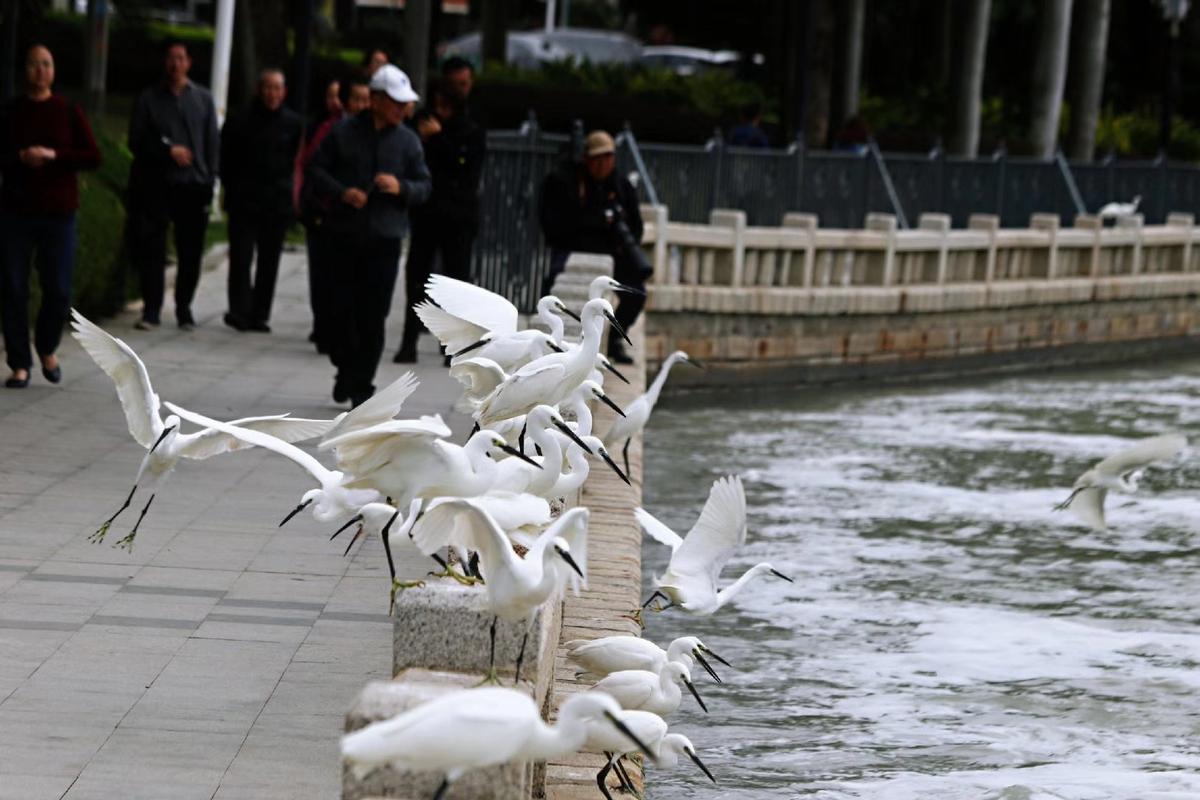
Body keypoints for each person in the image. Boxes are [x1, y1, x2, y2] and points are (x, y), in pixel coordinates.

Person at [307, 64, 431, 407]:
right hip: (343, 237)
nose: (401, 108)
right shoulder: (343, 132)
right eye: (395, 101)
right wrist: (342, 192)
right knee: (339, 313)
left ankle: (361, 384)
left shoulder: (408, 141)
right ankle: (346, 368)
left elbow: (424, 185)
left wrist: (401, 187)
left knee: (373, 316)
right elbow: (316, 169)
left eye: (404, 103)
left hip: (385, 240)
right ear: (375, 100)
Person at [0, 44, 100, 388]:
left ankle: (46, 346)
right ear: (24, 70)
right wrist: (21, 157)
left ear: (54, 71)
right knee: (13, 287)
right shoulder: (11, 111)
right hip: (15, 212)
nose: (40, 70)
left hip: (58, 214)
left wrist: (54, 155)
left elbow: (92, 156)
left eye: (46, 64)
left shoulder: (67, 110)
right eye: (33, 64)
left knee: (58, 289)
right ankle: (19, 363)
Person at [127, 40, 219, 331]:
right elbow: (136, 140)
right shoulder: (149, 99)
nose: (176, 64)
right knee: (153, 248)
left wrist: (210, 178)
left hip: (194, 185)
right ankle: (152, 308)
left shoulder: (202, 99)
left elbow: (212, 143)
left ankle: (184, 307)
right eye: (171, 58)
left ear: (189, 62)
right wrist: (167, 151)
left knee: (190, 251)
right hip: (157, 184)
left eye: (181, 58)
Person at [394, 80, 486, 364]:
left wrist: (439, 138)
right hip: (427, 214)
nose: (440, 112)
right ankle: (409, 341)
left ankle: (454, 346)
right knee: (417, 279)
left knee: (456, 282)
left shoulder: (469, 132)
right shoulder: (421, 129)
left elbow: (465, 168)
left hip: (458, 218)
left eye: (446, 107)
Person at [539, 130, 645, 364]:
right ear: (587, 158)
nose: (603, 163)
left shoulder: (621, 185)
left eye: (608, 157)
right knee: (552, 290)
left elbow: (636, 225)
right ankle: (551, 339)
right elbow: (555, 221)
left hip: (612, 253)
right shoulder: (568, 181)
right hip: (573, 250)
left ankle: (615, 339)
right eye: (598, 158)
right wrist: (596, 221)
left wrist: (623, 241)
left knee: (636, 293)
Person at [219, 68, 303, 333]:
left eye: (277, 88)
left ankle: (260, 314)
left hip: (276, 203)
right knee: (241, 258)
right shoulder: (240, 119)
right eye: (268, 87)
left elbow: (295, 162)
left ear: (284, 92)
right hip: (244, 200)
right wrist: (231, 190)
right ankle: (239, 310)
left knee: (269, 261)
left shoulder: (293, 123)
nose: (272, 93)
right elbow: (225, 158)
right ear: (259, 89)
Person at [297, 78, 370, 353]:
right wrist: (339, 193)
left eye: (366, 99)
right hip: (328, 213)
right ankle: (324, 327)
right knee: (325, 276)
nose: (362, 105)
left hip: (363, 221)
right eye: (357, 99)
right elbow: (313, 167)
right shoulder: (332, 130)